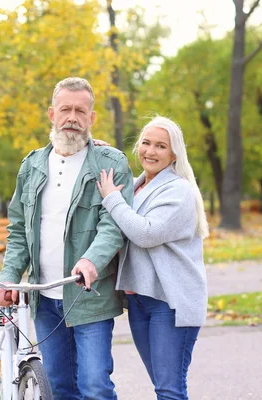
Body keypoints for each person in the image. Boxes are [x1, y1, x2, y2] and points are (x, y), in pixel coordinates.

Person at [0, 77, 134, 400]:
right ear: (52, 114)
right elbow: (17, 231)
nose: (72, 118)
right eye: (65, 109)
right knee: (57, 387)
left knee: (95, 386)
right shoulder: (32, 166)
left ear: (92, 118)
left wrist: (91, 260)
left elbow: (113, 226)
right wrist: (8, 278)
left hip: (90, 296)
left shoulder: (110, 164)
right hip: (45, 298)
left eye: (80, 111)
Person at [96, 116, 209, 400]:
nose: (151, 151)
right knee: (162, 385)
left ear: (173, 154)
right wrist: (100, 153)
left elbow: (146, 233)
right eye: (146, 143)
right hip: (139, 299)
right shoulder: (138, 185)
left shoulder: (178, 190)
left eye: (160, 146)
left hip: (169, 302)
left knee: (169, 389)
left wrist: (111, 198)